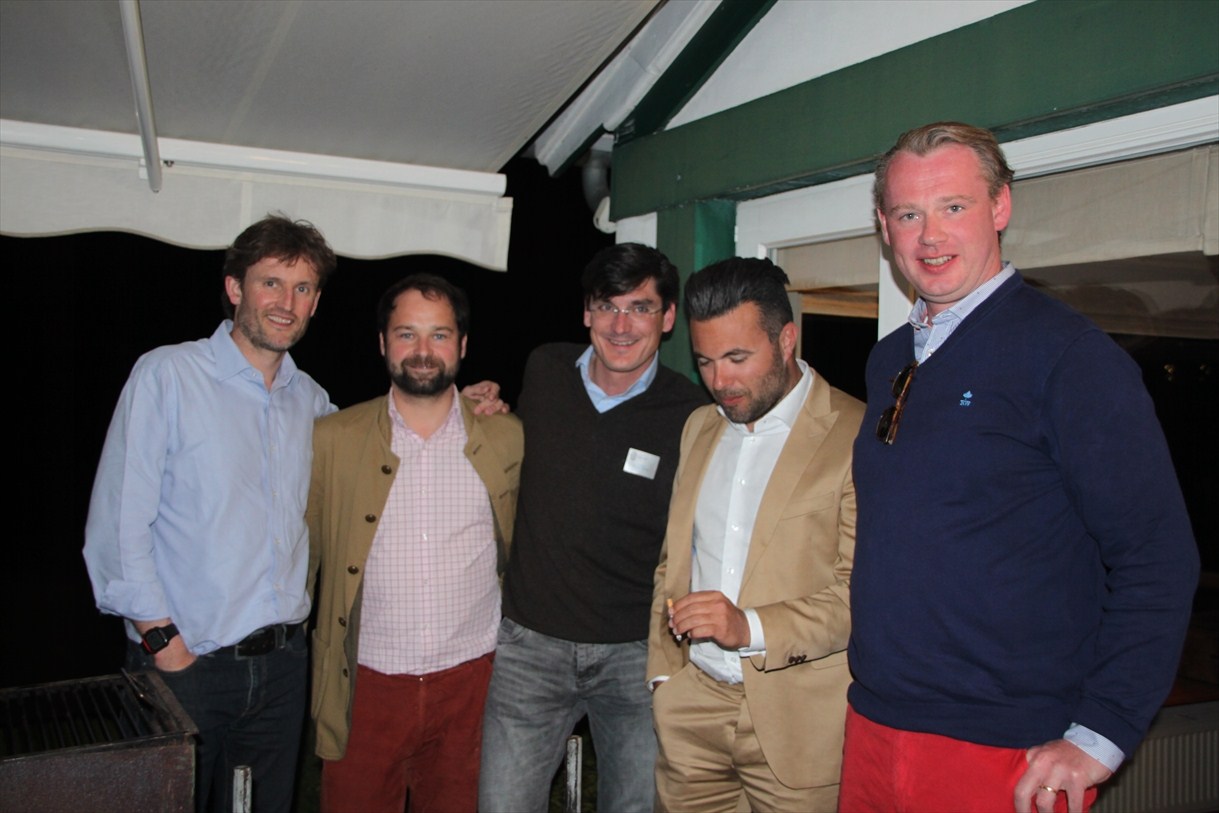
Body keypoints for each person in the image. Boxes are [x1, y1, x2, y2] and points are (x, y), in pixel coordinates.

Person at [842, 122, 1200, 813]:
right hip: (875, 726)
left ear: (1000, 205)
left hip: (1009, 748)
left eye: (953, 206)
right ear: (884, 227)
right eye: (908, 214)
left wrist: (1102, 734)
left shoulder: (1069, 356)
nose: (930, 236)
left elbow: (1156, 557)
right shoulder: (889, 359)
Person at [83, 214, 337, 813]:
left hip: (282, 671)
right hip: (185, 666)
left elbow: (384, 450)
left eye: (302, 288)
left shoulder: (313, 401)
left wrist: (458, 405)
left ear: (315, 303)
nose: (286, 303)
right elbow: (118, 524)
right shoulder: (168, 375)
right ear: (234, 288)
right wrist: (163, 642)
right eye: (271, 283)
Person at [478, 243, 707, 812]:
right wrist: (475, 406)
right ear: (586, 312)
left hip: (634, 655)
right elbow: (503, 446)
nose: (621, 326)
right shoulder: (544, 370)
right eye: (607, 306)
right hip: (529, 647)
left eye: (640, 308)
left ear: (668, 318)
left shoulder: (690, 413)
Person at [646, 257, 863, 812]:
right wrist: (664, 680)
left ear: (786, 339)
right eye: (705, 361)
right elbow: (674, 561)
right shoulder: (699, 426)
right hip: (692, 714)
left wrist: (749, 627)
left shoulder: (856, 436)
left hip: (800, 727)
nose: (720, 381)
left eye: (738, 358)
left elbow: (861, 596)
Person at [307, 274, 522, 813]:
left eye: (439, 335)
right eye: (407, 334)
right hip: (366, 687)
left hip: (472, 686)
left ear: (463, 345)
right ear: (382, 342)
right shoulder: (332, 439)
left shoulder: (507, 436)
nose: (423, 351)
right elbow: (303, 560)